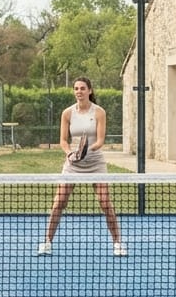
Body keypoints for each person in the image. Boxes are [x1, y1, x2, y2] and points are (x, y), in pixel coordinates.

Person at [37, 77, 126, 257]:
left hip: (95, 163)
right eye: (76, 88)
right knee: (59, 202)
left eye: (83, 88)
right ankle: (47, 242)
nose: (79, 91)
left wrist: (86, 150)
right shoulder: (67, 113)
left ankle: (117, 243)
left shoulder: (99, 112)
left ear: (89, 91)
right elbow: (63, 141)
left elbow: (100, 141)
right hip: (73, 164)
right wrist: (71, 154)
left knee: (105, 202)